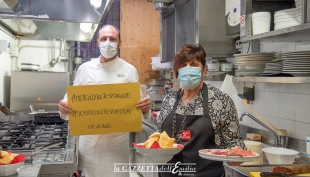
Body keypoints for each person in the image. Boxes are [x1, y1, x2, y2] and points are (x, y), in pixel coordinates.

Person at [58, 25, 151, 177]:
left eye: (112, 39)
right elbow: (69, 102)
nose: (108, 43)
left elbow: (139, 109)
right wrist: (63, 107)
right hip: (89, 145)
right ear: (98, 42)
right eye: (104, 39)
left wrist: (145, 108)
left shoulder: (129, 70)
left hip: (117, 145)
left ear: (119, 43)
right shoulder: (85, 69)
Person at [156, 44, 246, 177]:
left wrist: (236, 153)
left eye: (193, 65)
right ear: (177, 71)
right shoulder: (169, 100)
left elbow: (234, 142)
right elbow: (159, 137)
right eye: (183, 65)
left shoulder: (220, 101)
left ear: (204, 69)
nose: (188, 69)